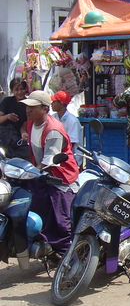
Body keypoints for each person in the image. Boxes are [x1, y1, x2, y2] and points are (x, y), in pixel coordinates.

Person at [22, 90, 79, 256]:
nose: (28, 110)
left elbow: (49, 160)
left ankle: (67, 255)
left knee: (60, 220)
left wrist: (30, 172)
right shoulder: (31, 124)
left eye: (33, 107)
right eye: (27, 107)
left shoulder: (53, 129)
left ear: (45, 109)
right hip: (41, 177)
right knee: (39, 212)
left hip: (59, 178)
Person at [50, 90, 84, 168]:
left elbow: (71, 143)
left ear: (60, 103)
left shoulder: (73, 121)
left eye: (54, 102)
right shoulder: (53, 117)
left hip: (72, 158)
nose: (51, 104)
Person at [0, 78, 30, 159]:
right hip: (3, 135)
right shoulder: (7, 101)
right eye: (16, 90)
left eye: (22, 89)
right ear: (12, 91)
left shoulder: (29, 104)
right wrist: (7, 117)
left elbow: (25, 122)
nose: (20, 92)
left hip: (17, 137)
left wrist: (23, 132)